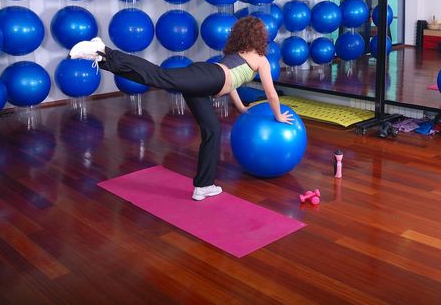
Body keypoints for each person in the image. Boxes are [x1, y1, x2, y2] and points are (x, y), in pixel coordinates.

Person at [68, 16, 293, 201]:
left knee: (212, 131)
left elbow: (232, 83)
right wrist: (278, 116)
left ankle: (203, 185)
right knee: (159, 76)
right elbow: (271, 93)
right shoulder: (261, 59)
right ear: (260, 37)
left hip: (204, 84)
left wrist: (242, 107)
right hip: (207, 78)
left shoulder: (236, 55)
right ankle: (104, 50)